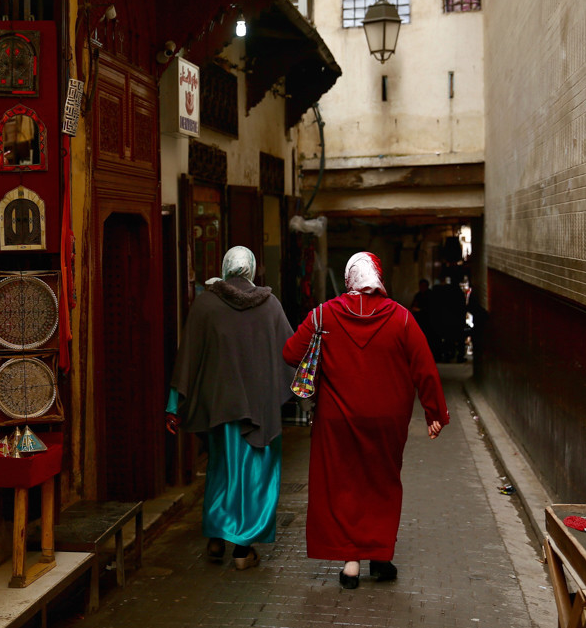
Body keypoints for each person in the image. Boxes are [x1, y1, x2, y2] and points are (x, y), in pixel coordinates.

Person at [282, 252, 449, 589]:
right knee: (381, 483)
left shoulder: (323, 315)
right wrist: (435, 412)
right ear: (377, 278)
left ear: (348, 279)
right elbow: (425, 366)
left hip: (336, 420)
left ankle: (350, 564)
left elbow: (289, 352)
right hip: (386, 421)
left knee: (343, 483)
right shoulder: (401, 318)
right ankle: (380, 556)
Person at [166, 246, 295, 570]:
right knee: (257, 476)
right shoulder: (270, 305)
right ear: (251, 270)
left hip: (219, 408)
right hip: (261, 409)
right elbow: (292, 353)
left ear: (225, 269)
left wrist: (173, 405)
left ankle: (216, 535)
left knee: (221, 471)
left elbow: (188, 356)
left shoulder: (206, 303)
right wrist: (309, 395)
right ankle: (242, 549)